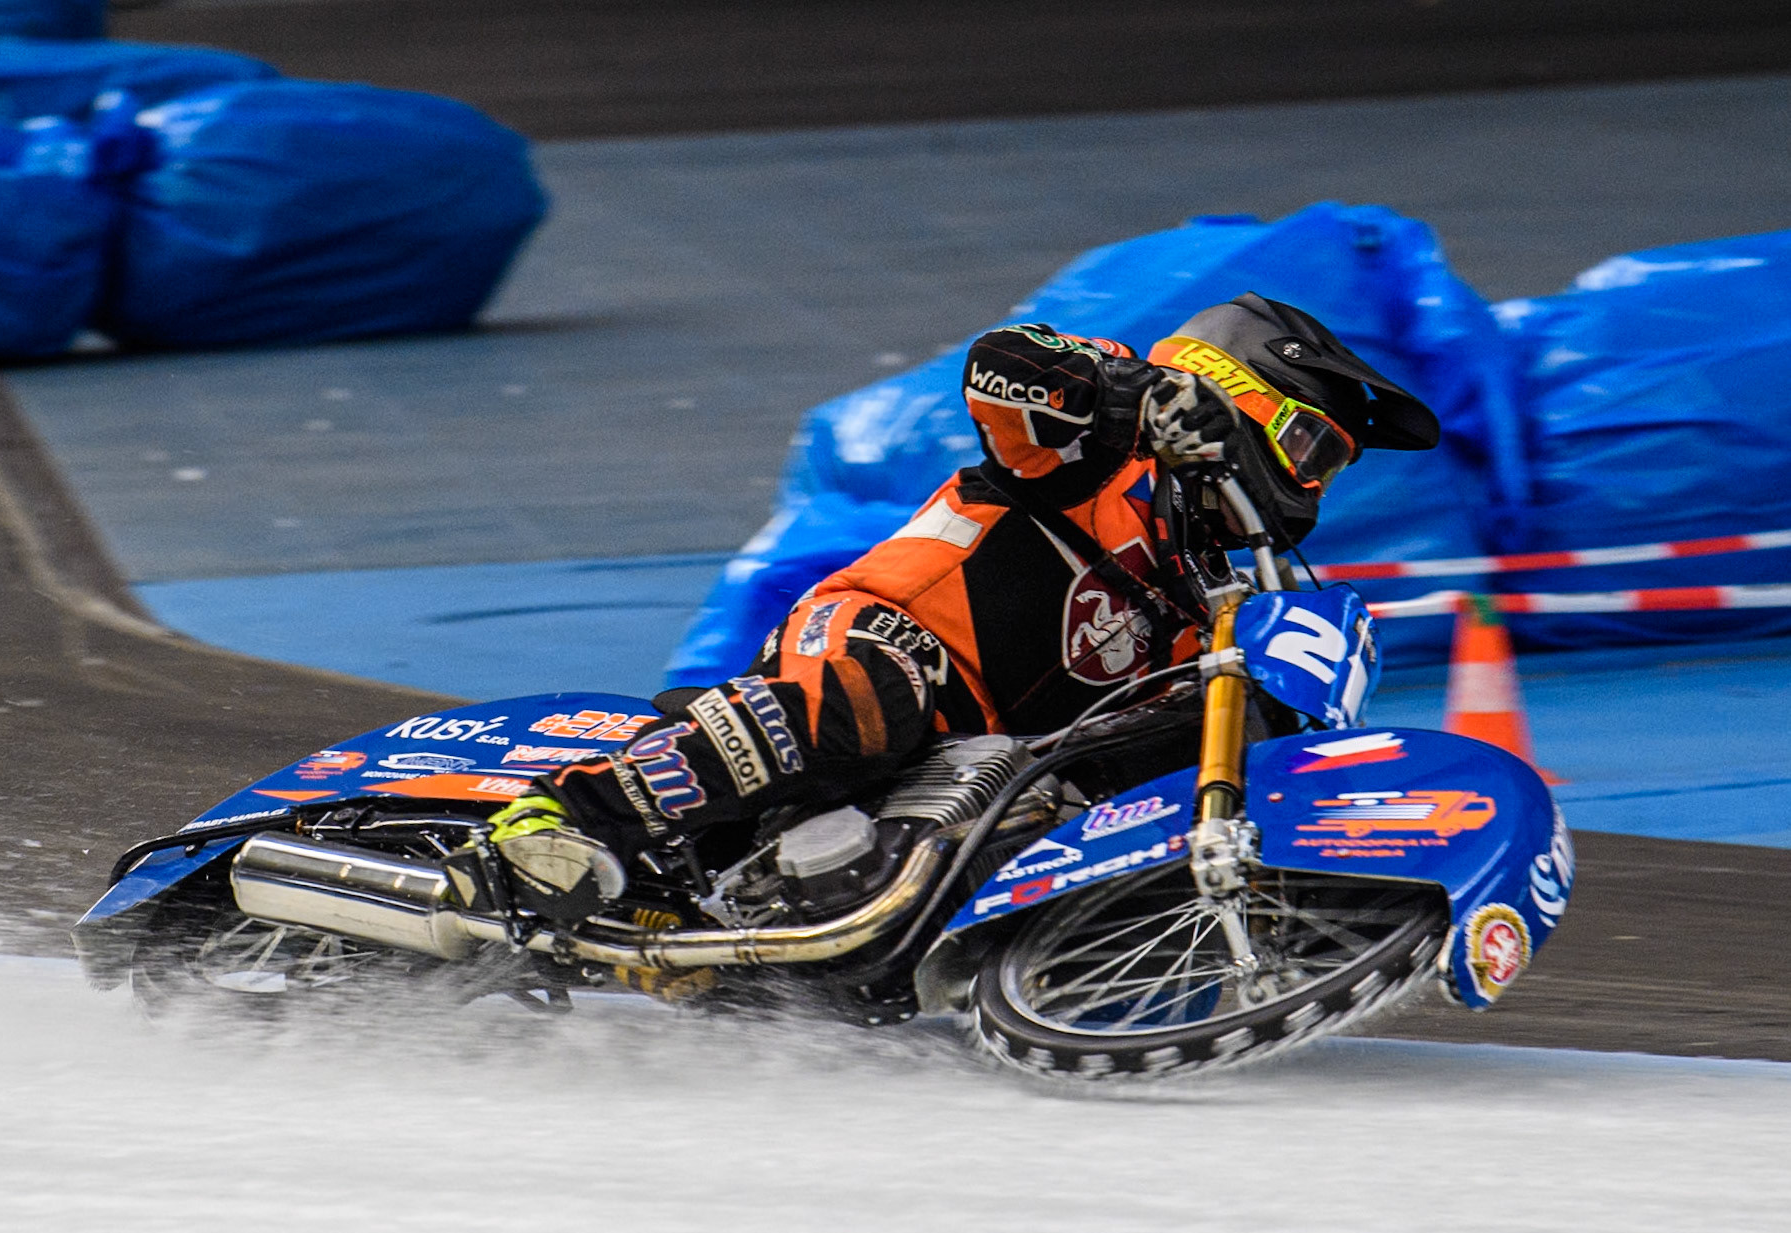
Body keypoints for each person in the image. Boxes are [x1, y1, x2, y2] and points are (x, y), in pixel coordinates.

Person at [467, 293, 1440, 925]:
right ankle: (567, 815)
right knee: (871, 700)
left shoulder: (1211, 580)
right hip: (889, 631)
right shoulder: (1111, 443)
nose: (1314, 486)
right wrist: (1132, 396)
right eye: (1313, 450)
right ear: (1239, 394)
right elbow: (1004, 365)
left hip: (978, 755)